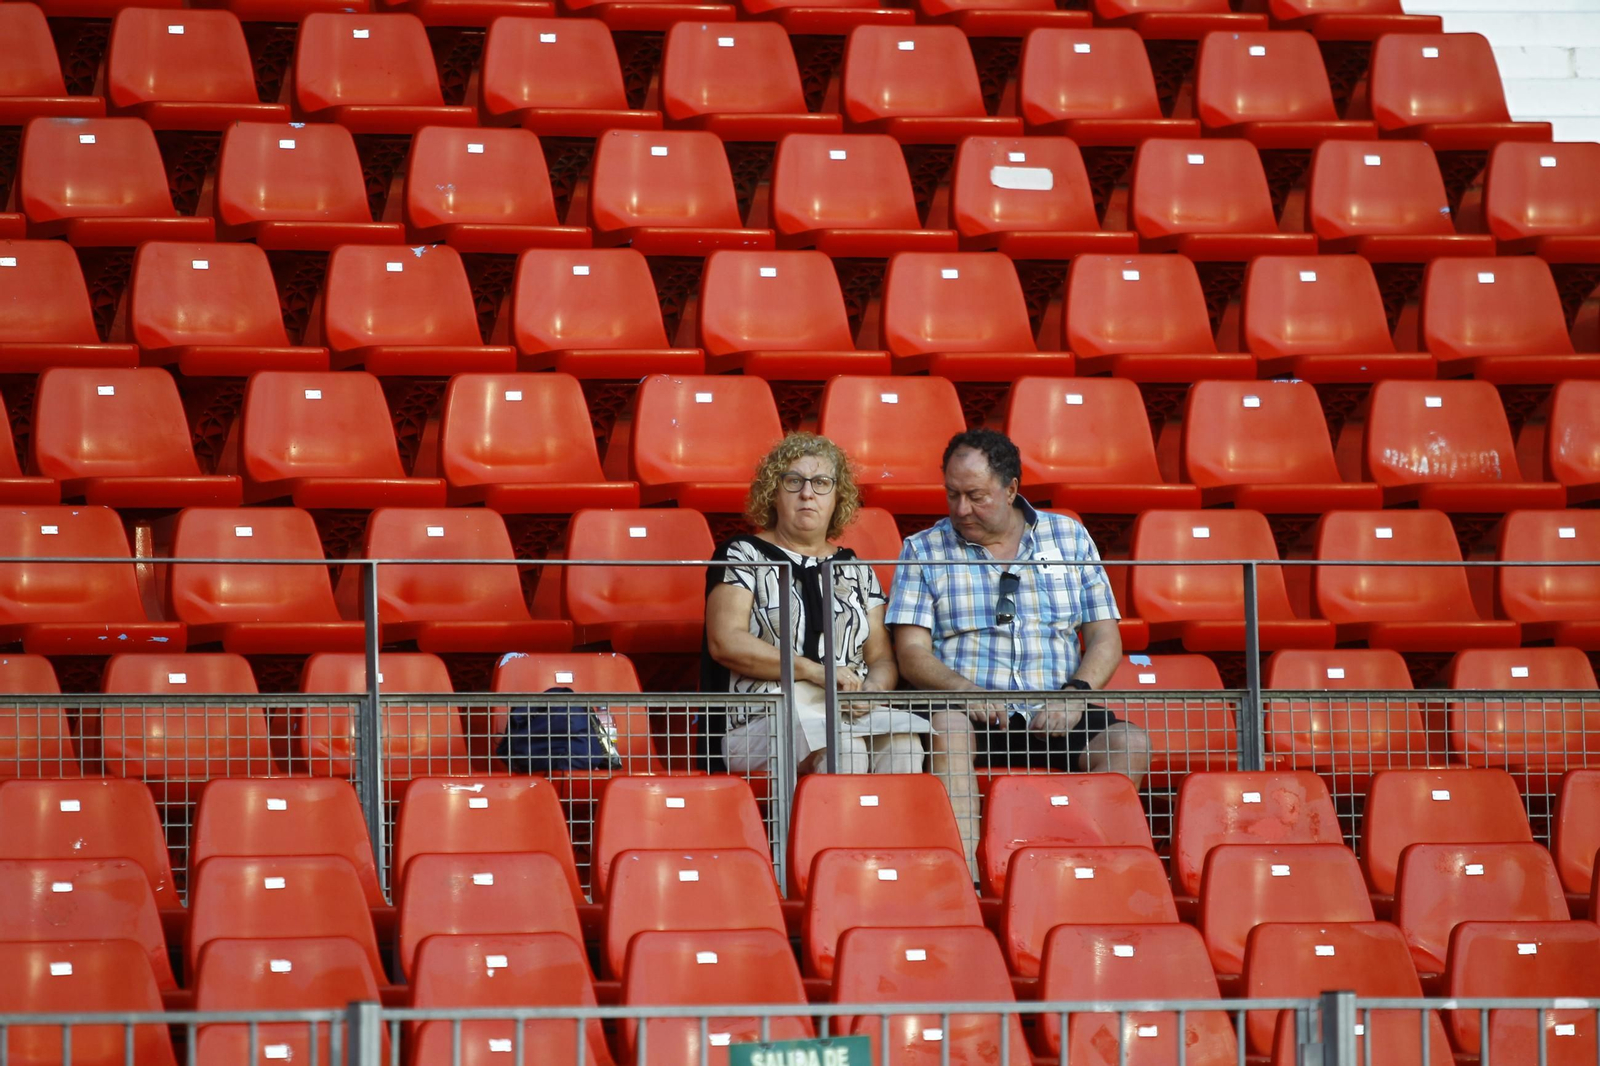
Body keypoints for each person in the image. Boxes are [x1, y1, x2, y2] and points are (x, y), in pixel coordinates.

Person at [887, 428, 1152, 849]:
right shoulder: (922, 549)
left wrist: (1075, 695)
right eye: (951, 494)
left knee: (1130, 740)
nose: (961, 508)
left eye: (975, 495)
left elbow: (1105, 636)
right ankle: (966, 881)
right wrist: (964, 691)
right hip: (969, 710)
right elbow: (910, 653)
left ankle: (1099, 868)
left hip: (1057, 707)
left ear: (1011, 489)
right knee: (947, 727)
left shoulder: (1068, 536)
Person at [704, 432, 925, 777]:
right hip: (763, 718)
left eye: (821, 482)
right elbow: (725, 641)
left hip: (846, 712)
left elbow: (881, 658)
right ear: (773, 494)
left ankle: (886, 833)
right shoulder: (742, 554)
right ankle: (828, 833)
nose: (807, 493)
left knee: (904, 742)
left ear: (838, 497)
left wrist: (872, 690)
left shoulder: (856, 570)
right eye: (793, 481)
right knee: (843, 749)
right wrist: (813, 672)